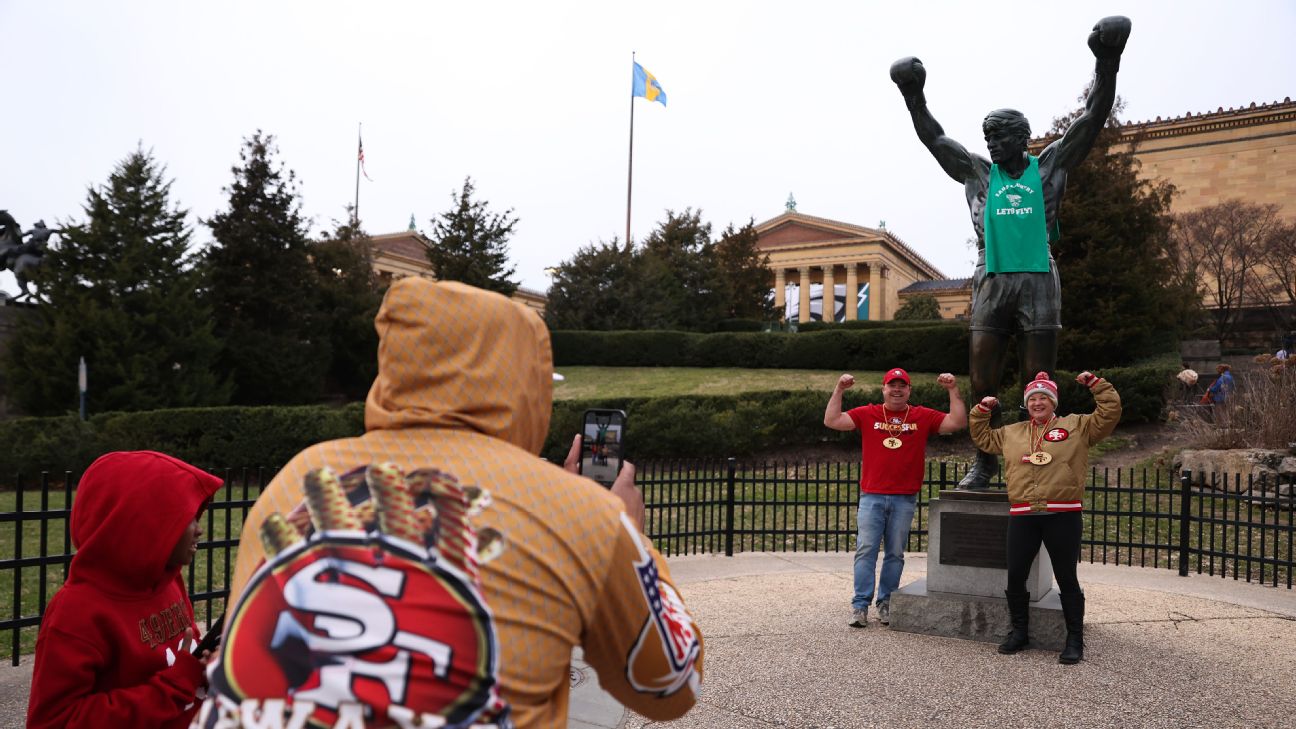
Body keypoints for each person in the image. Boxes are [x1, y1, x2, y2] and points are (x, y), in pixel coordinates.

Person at [213, 279, 701, 728]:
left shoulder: (298, 476)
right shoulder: (579, 511)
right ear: (525, 388)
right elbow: (671, 686)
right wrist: (630, 537)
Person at [889, 16, 1131, 490]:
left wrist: (1108, 61)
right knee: (983, 380)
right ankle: (985, 461)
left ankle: (1034, 458)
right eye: (987, 139)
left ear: (1022, 138)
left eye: (999, 138)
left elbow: (1092, 118)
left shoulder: (1050, 165)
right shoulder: (978, 174)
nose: (991, 145)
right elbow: (935, 139)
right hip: (991, 278)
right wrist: (913, 95)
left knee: (1038, 381)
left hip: (1039, 278)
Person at [26, 451, 224, 728]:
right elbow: (54, 721)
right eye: (188, 518)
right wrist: (176, 685)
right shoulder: (76, 614)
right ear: (145, 524)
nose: (199, 530)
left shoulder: (167, 580)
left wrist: (203, 663)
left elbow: (182, 651)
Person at [969, 371, 1121, 664]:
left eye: (1044, 398)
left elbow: (1110, 412)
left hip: (1062, 513)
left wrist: (1097, 385)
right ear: (1027, 404)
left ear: (1053, 402)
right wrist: (981, 411)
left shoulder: (1077, 426)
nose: (1038, 403)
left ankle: (1075, 639)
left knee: (1066, 577)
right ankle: (1019, 632)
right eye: (1033, 399)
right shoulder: (1012, 432)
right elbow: (984, 438)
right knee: (1015, 574)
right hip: (1023, 514)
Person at [824, 368, 967, 627]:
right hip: (872, 496)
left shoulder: (921, 416)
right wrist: (840, 390)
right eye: (892, 385)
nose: (897, 390)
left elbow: (956, 422)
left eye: (902, 386)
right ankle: (860, 606)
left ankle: (886, 602)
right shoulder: (869, 413)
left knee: (894, 553)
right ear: (884, 389)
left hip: (903, 498)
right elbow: (832, 421)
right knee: (866, 550)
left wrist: (952, 390)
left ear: (909, 391)